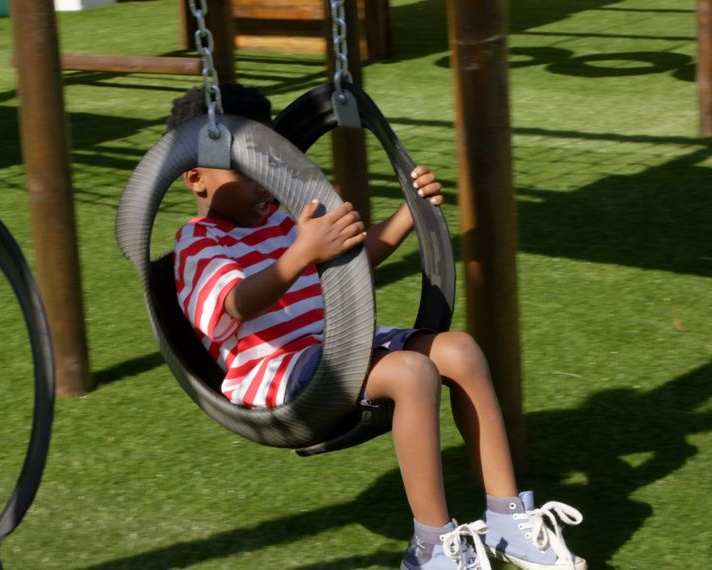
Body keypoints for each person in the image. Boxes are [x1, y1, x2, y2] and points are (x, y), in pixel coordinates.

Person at [169, 84, 586, 570]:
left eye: (268, 164)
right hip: (276, 371)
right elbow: (237, 304)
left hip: (337, 347)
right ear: (195, 178)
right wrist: (303, 251)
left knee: (460, 350)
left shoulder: (286, 223)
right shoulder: (197, 244)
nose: (263, 182)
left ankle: (507, 519)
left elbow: (354, 263)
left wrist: (411, 212)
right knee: (411, 372)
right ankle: (431, 545)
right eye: (244, 169)